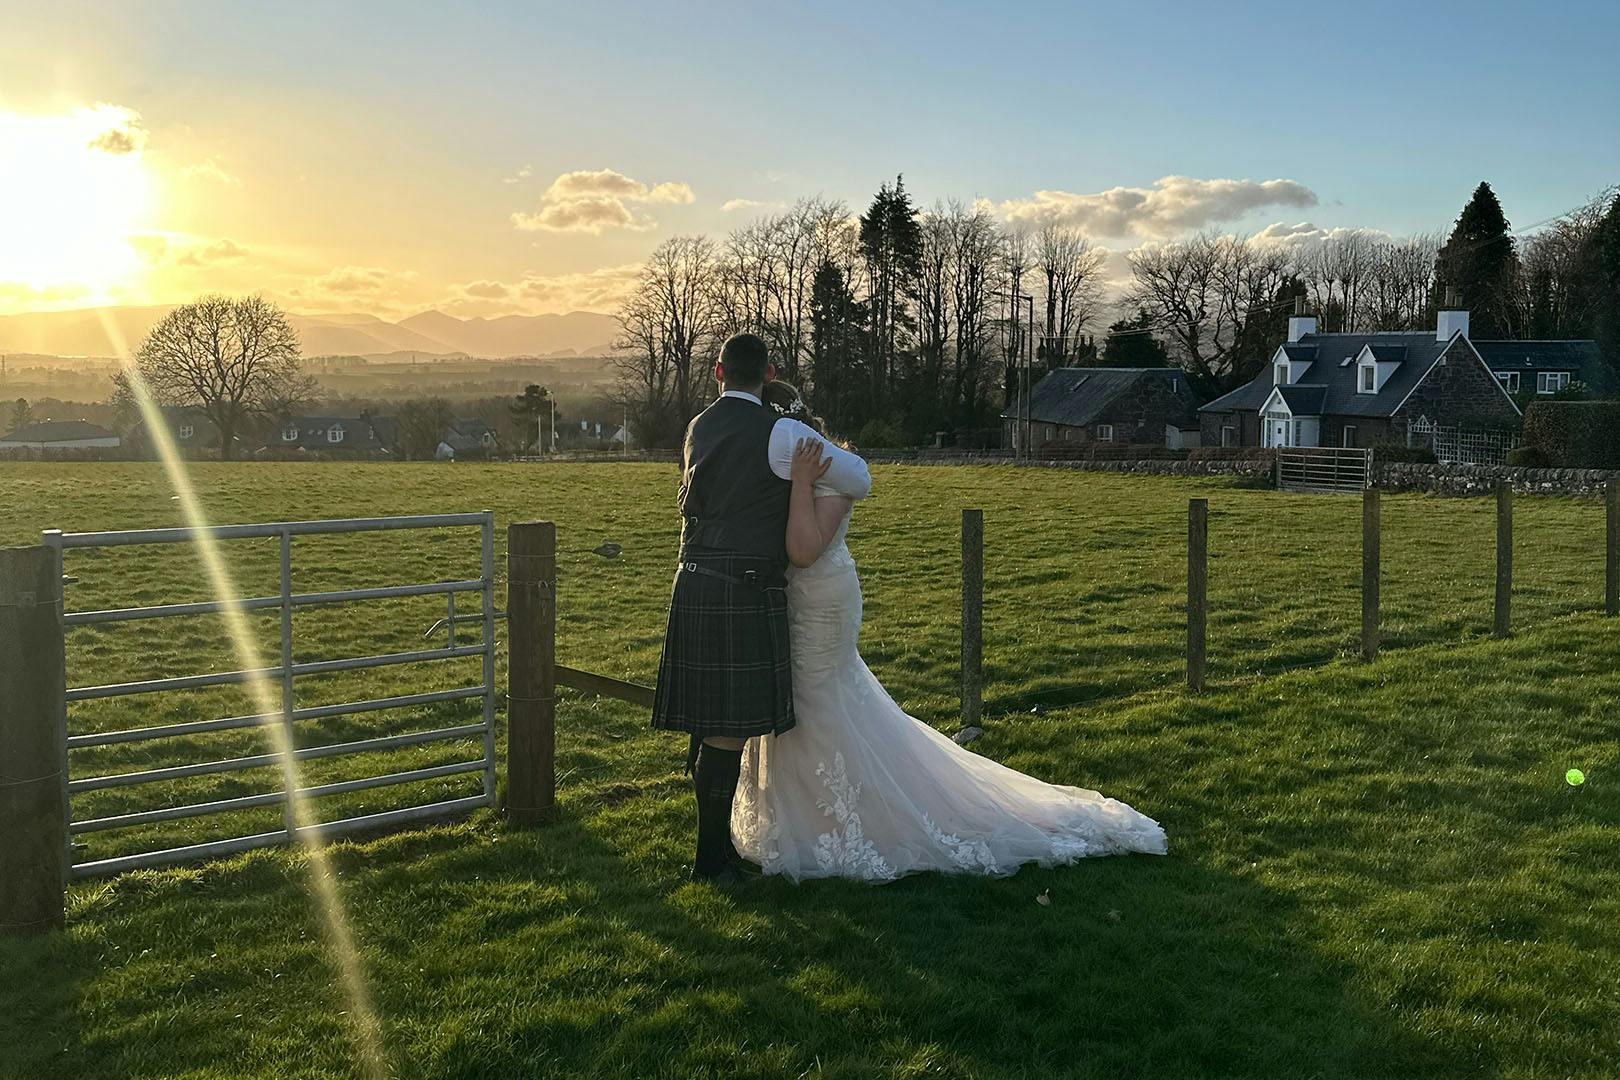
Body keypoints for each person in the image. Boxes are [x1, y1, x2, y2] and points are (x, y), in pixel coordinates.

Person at [731, 381, 1167, 882]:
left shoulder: (828, 475)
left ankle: (849, 821)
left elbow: (804, 550)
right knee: (797, 698)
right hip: (789, 600)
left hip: (821, 601)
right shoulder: (779, 468)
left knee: (816, 699)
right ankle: (799, 816)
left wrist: (803, 483)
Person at [651, 333, 872, 883]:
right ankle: (711, 862)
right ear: (769, 373)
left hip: (693, 579)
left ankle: (717, 853)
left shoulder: (696, 427)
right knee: (726, 733)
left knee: (710, 727)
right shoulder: (783, 432)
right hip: (742, 586)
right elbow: (860, 479)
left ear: (719, 373)